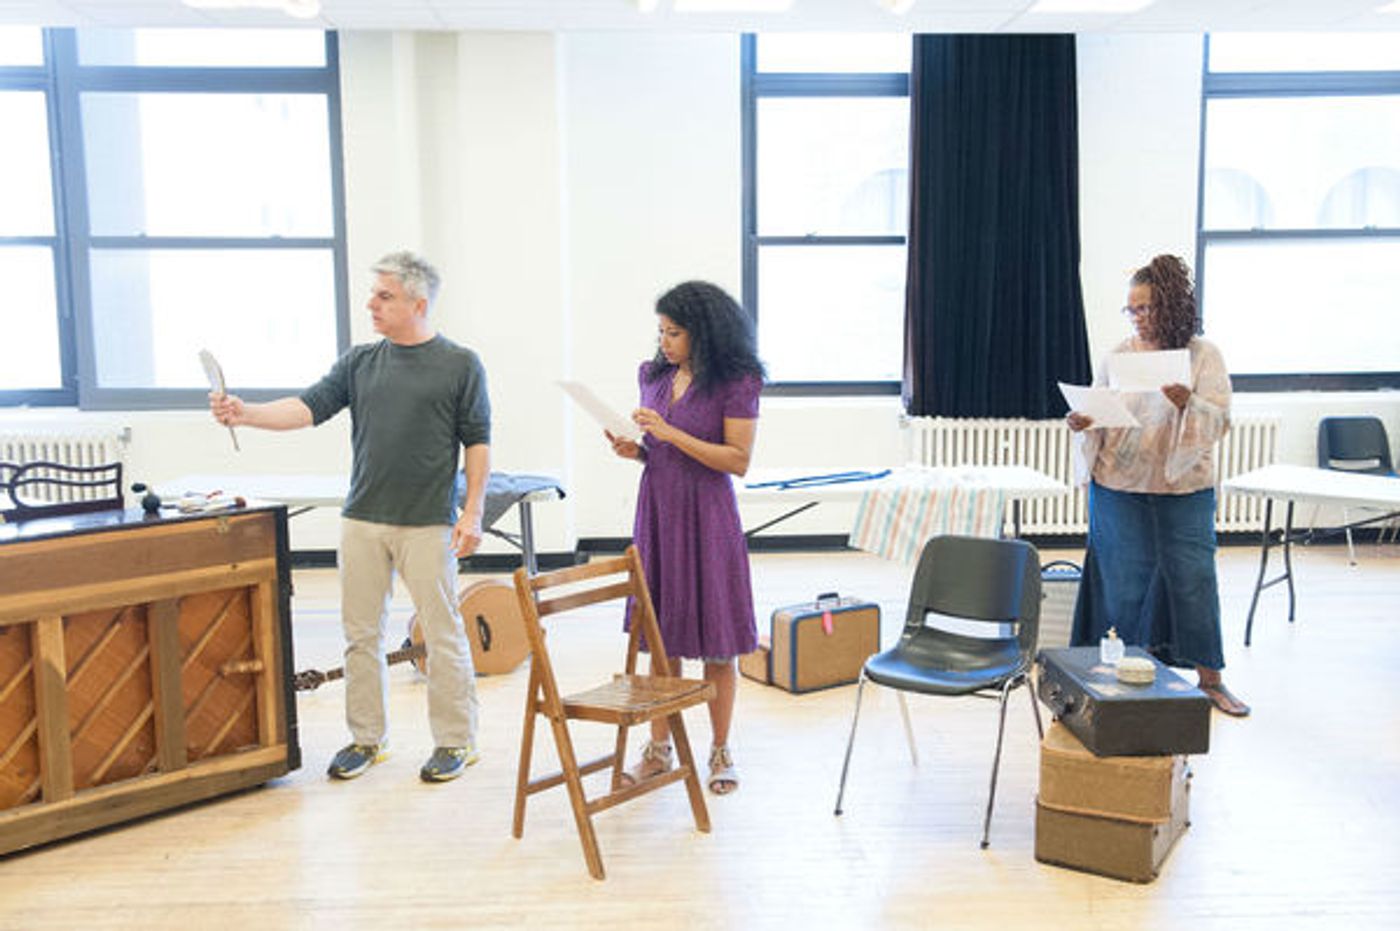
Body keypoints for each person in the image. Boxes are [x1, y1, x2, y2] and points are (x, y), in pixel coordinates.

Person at [209, 251, 492, 779]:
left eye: (384, 296)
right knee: (360, 633)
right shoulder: (360, 362)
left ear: (418, 303)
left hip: (429, 522)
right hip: (362, 518)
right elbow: (308, 407)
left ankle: (456, 742)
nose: (372, 304)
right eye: (374, 294)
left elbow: (478, 443)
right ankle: (366, 740)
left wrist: (471, 512)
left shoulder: (460, 364)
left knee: (442, 632)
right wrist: (246, 414)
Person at [1066, 254, 1248, 717]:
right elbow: (1099, 412)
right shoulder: (1118, 356)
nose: (1139, 318)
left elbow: (1220, 420)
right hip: (1118, 485)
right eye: (1132, 309)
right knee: (1124, 584)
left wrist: (1190, 403)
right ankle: (1123, 678)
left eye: (1147, 308)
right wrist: (1084, 420)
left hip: (1184, 488)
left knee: (1195, 580)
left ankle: (1210, 681)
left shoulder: (1203, 355)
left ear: (1172, 306)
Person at [605, 281, 765, 794]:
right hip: (658, 513)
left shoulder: (736, 381)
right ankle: (658, 748)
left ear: (706, 332)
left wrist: (669, 434)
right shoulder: (653, 376)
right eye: (661, 331)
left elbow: (737, 461)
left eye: (675, 332)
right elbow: (662, 453)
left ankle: (721, 750)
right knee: (661, 635)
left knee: (719, 642)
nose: (665, 341)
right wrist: (639, 452)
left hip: (709, 516)